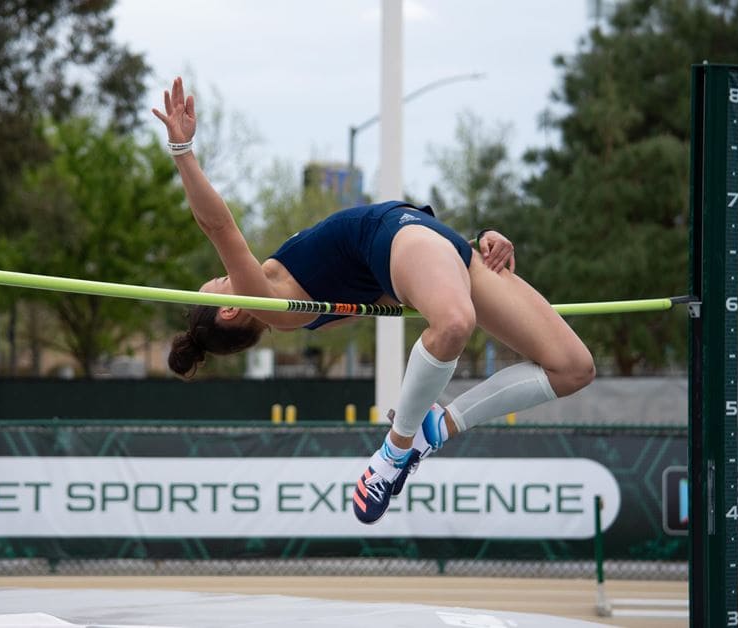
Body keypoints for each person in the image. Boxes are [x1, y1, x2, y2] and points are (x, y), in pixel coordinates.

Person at [153, 77, 595, 525]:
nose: (224, 271)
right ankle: (396, 449)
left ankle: (434, 427)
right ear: (230, 309)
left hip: (427, 241)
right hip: (396, 238)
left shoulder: (307, 305)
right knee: (454, 323)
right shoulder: (268, 304)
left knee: (573, 367)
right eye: (217, 280)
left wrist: (479, 241)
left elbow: (405, 283)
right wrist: (183, 153)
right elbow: (219, 227)